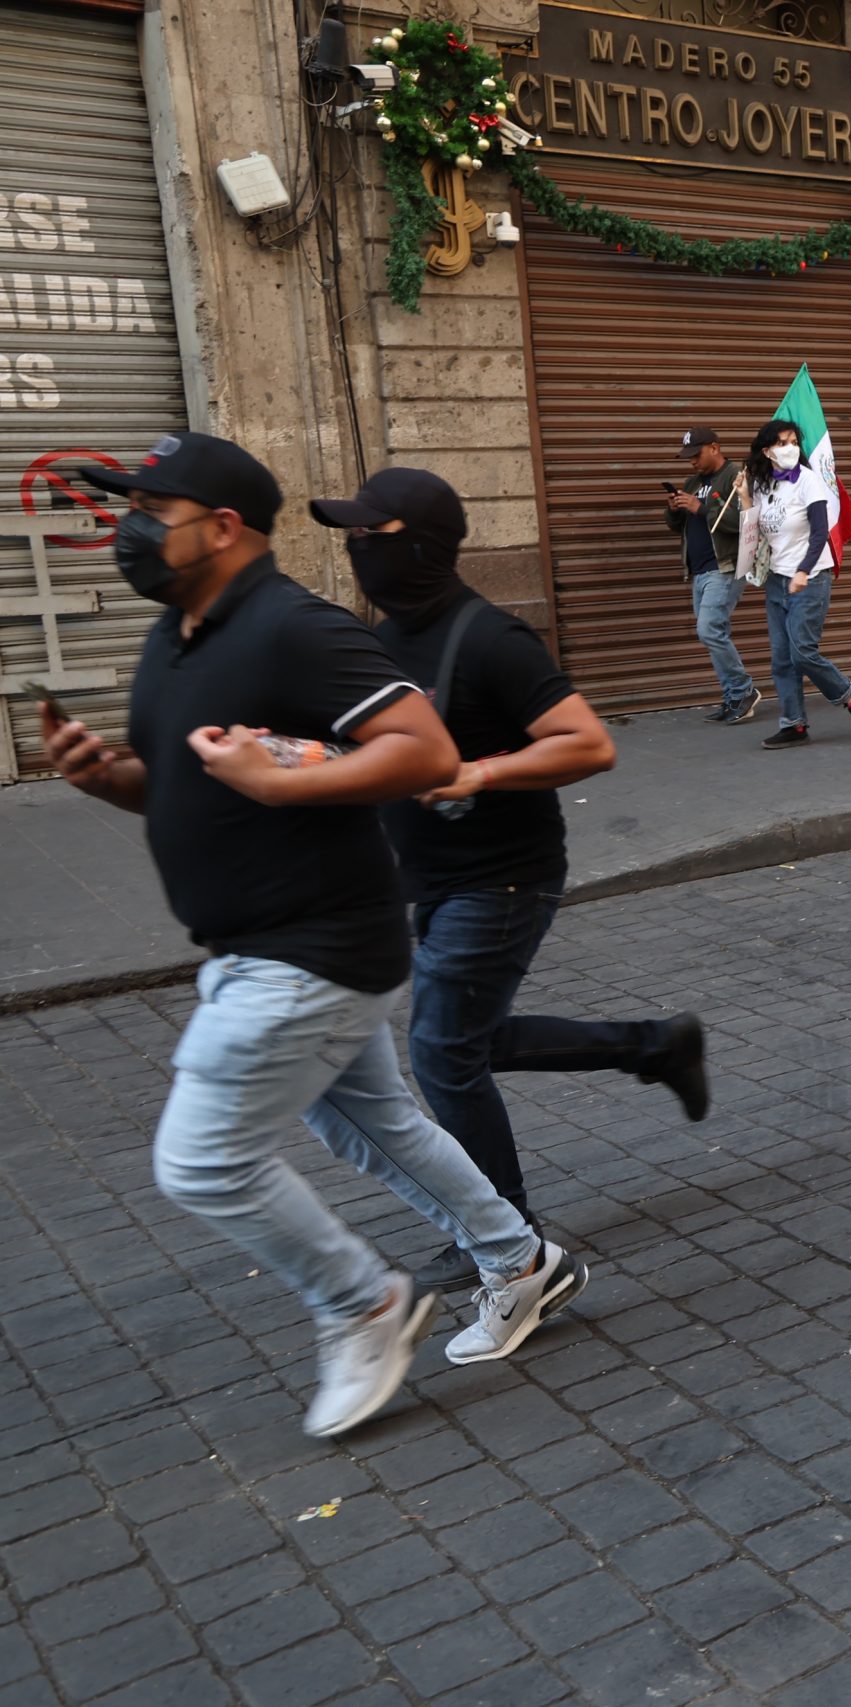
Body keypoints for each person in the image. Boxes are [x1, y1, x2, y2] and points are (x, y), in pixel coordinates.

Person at [40, 433, 585, 1439]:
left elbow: (423, 751)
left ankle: (364, 1303)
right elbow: (185, 793)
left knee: (201, 1160)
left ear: (222, 527)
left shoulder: (294, 627)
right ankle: (520, 1260)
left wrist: (282, 776)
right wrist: (106, 777)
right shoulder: (177, 636)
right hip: (256, 943)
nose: (127, 534)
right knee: (369, 1123)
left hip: (315, 946)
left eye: (147, 515)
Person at [311, 467, 713, 1294]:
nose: (354, 550)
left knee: (440, 1050)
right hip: (429, 878)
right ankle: (656, 1044)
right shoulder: (377, 643)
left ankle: (504, 1232)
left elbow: (587, 743)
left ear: (421, 544)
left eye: (369, 535)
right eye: (348, 535)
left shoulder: (491, 638)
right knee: (474, 1040)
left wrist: (478, 773)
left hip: (503, 878)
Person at [741, 417, 851, 750]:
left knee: (803, 652)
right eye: (781, 443)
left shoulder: (809, 481)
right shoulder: (762, 485)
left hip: (811, 578)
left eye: (793, 442)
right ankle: (793, 725)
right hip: (777, 580)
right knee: (782, 658)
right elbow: (753, 531)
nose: (790, 449)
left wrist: (802, 571)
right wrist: (744, 496)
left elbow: (819, 533)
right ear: (767, 450)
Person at [668, 428, 760, 724]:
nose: (692, 462)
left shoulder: (737, 477)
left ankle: (743, 691)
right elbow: (677, 525)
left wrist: (701, 507)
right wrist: (675, 510)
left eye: (696, 455)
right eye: (688, 457)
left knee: (709, 630)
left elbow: (744, 521)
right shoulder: (693, 482)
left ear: (714, 448)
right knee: (712, 634)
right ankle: (734, 695)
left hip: (725, 567)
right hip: (699, 570)